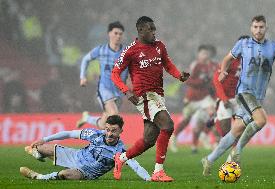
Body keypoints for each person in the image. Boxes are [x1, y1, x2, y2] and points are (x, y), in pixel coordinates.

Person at [202, 15, 275, 176]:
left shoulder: (274, 47)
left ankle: (209, 159)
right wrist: (224, 71)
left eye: (261, 27)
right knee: (261, 120)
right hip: (244, 92)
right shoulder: (243, 44)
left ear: (266, 28)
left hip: (258, 95)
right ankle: (237, 152)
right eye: (255, 27)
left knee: (237, 130)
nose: (258, 30)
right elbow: (227, 58)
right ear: (251, 28)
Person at [111, 16, 190, 182]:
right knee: (168, 126)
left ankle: (121, 158)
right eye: (151, 29)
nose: (154, 32)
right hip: (144, 96)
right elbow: (115, 73)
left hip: (158, 95)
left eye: (154, 29)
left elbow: (167, 64)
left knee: (149, 139)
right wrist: (126, 91)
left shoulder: (159, 46)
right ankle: (158, 172)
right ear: (140, 30)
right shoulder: (130, 50)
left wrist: (179, 76)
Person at [20, 115, 150, 181]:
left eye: (114, 131)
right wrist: (44, 139)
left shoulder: (121, 151)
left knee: (65, 174)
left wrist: (149, 179)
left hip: (87, 172)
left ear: (121, 130)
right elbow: (69, 133)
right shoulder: (95, 134)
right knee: (42, 147)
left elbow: (136, 166)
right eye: (107, 129)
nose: (110, 134)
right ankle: (37, 153)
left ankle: (38, 177)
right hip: (75, 156)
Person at [77, 21, 128, 129]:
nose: (118, 36)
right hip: (104, 89)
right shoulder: (101, 50)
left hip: (118, 91)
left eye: (120, 34)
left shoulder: (126, 52)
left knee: (103, 124)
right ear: (109, 34)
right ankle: (114, 144)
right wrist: (82, 76)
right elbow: (85, 59)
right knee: (114, 114)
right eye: (115, 33)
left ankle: (87, 118)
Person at [169, 45, 217, 153]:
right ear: (199, 55)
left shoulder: (211, 66)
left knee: (213, 114)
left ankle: (204, 135)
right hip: (192, 98)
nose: (206, 55)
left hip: (205, 97)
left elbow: (211, 82)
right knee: (186, 120)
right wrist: (202, 81)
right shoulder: (195, 65)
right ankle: (174, 137)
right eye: (203, 53)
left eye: (207, 53)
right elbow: (186, 80)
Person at [212, 36, 249, 138]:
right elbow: (216, 80)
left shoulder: (249, 62)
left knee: (241, 128)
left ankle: (235, 152)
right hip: (226, 97)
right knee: (225, 129)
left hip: (239, 98)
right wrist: (224, 99)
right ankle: (216, 121)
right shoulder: (230, 60)